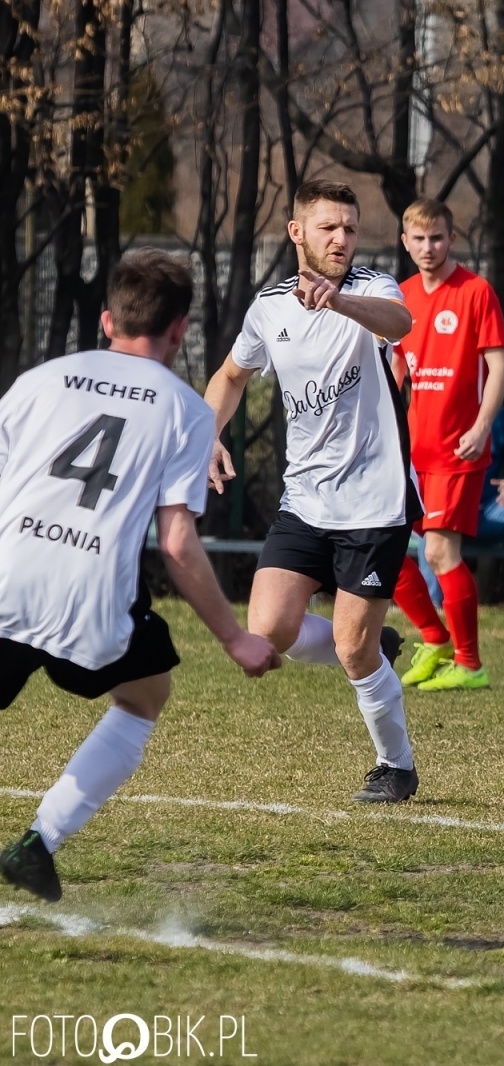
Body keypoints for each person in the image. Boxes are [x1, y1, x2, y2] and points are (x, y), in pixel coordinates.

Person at [0, 250, 281, 902]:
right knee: (143, 697)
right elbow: (177, 540)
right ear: (181, 330)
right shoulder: (184, 410)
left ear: (105, 320)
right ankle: (38, 843)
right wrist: (235, 639)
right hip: (92, 599)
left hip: (9, 578)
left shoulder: (41, 379)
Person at [204, 179, 423, 804]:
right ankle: (370, 646)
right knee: (268, 627)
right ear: (297, 232)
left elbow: (401, 322)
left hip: (375, 503)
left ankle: (396, 765)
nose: (341, 239)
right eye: (328, 227)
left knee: (352, 652)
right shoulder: (269, 308)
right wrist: (206, 435)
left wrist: (340, 305)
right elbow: (230, 375)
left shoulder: (372, 289)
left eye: (350, 229)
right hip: (304, 498)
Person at [388, 198, 504, 691]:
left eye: (436, 237)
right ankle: (435, 640)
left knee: (439, 552)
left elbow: (499, 366)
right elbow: (396, 369)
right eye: (418, 239)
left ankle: (469, 663)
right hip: (413, 452)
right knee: (387, 547)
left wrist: (483, 426)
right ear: (405, 242)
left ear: (451, 238)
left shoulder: (476, 292)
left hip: (458, 449)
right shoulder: (401, 296)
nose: (427, 247)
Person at [416, 408, 504, 616]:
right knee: (432, 522)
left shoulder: (498, 419)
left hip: (490, 510)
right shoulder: (435, 411)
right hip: (448, 510)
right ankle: (431, 606)